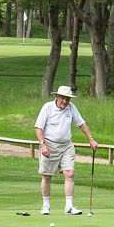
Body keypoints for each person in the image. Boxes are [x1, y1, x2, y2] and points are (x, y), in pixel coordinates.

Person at [33, 84, 96, 215]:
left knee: (69, 173)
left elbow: (81, 123)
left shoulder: (71, 108)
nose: (65, 101)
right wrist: (43, 144)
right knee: (47, 176)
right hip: (49, 145)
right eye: (62, 98)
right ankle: (45, 206)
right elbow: (38, 128)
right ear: (57, 97)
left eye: (67, 99)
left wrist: (91, 139)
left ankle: (69, 206)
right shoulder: (47, 108)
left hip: (66, 145)